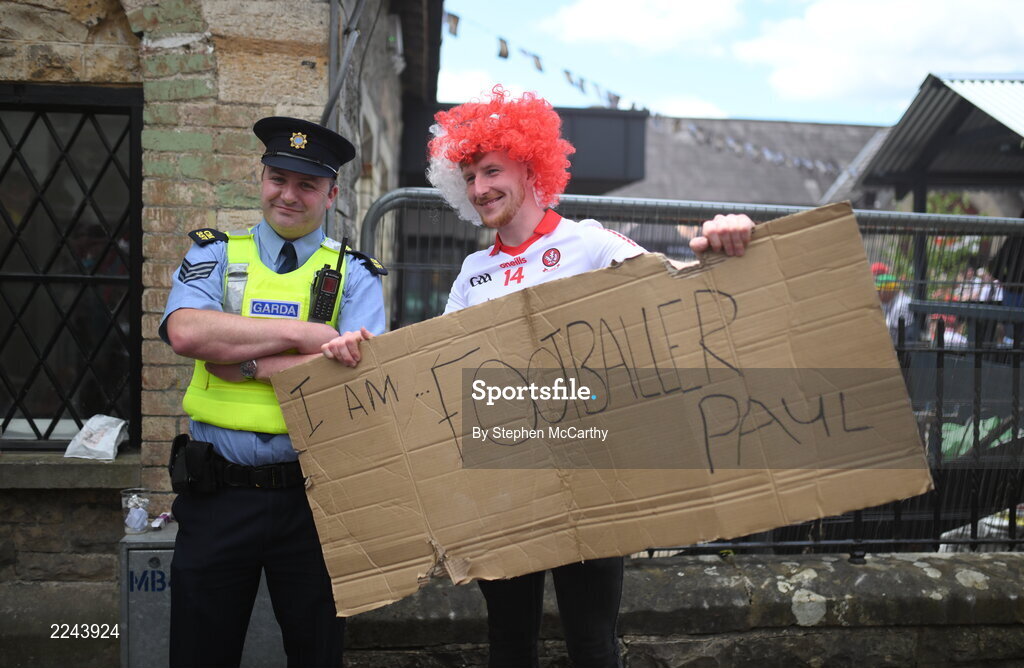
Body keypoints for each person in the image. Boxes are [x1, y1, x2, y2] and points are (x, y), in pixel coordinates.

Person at [426, 86, 755, 668]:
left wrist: (722, 244)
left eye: (493, 170)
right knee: (508, 644)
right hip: (505, 480)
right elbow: (438, 366)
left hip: (592, 473)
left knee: (592, 644)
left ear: (530, 167)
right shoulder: (472, 272)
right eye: (469, 175)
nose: (480, 188)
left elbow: (676, 288)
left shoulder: (590, 241)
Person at [160, 116, 386, 668]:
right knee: (200, 654)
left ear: (331, 194)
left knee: (316, 654)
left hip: (311, 499)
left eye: (306, 185)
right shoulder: (215, 254)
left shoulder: (353, 274)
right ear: (260, 178)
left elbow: (356, 374)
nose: (289, 195)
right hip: (217, 494)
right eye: (278, 178)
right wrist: (305, 335)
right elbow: (188, 332)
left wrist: (247, 358)